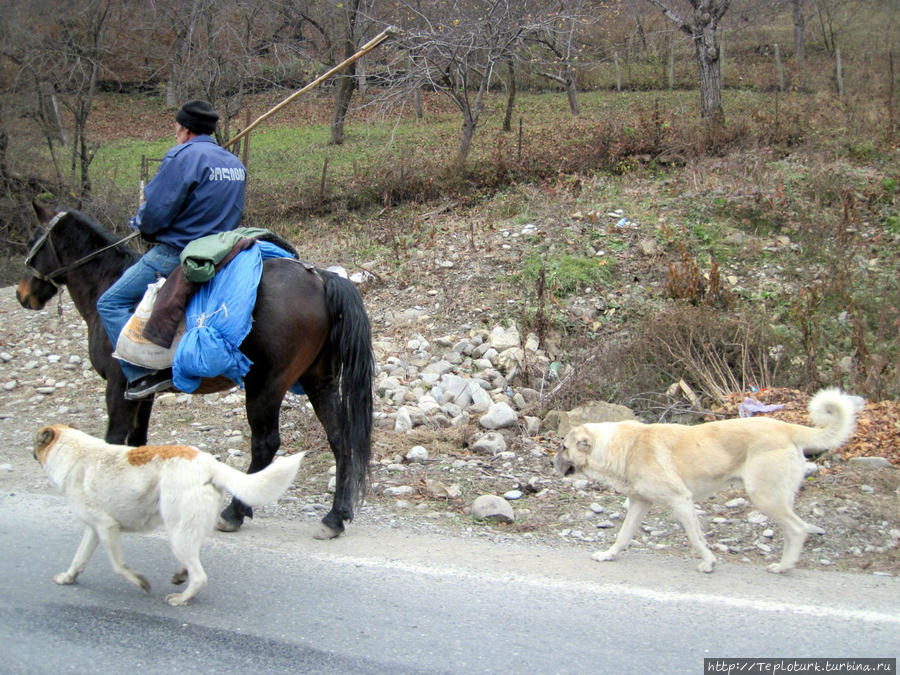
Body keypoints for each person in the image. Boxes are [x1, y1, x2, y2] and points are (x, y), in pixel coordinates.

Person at [97, 99, 247, 400]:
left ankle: (142, 376)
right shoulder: (234, 163)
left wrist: (141, 224)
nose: (175, 133)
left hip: (180, 252)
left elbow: (156, 211)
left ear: (186, 129)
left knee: (110, 302)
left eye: (176, 127)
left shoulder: (181, 156)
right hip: (224, 251)